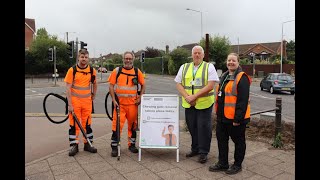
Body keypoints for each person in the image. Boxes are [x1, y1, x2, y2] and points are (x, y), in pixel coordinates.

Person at [175, 45, 219, 163]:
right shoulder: (184, 67)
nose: (197, 55)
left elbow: (211, 85)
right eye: (195, 53)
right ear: (192, 55)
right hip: (189, 103)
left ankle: (203, 152)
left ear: (203, 55)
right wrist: (188, 97)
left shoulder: (209, 67)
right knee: (192, 127)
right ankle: (195, 149)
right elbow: (178, 84)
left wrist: (194, 97)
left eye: (199, 53)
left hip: (204, 104)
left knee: (203, 128)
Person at [209, 53, 251, 175]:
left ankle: (237, 165)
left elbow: (242, 101)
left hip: (235, 119)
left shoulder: (242, 77)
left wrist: (237, 119)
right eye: (229, 60)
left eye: (233, 60)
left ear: (238, 62)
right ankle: (223, 163)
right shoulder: (224, 76)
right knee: (222, 141)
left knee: (239, 142)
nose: (230, 62)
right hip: (222, 117)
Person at [108, 51, 146, 157]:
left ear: (133, 59)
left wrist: (140, 97)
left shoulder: (137, 72)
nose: (128, 60)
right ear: (123, 59)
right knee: (116, 126)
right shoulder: (117, 71)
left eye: (130, 58)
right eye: (126, 58)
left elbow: (143, 85)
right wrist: (113, 100)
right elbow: (111, 86)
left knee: (133, 126)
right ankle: (114, 147)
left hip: (132, 105)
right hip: (119, 105)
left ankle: (132, 145)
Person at [64, 49, 98, 156]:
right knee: (74, 125)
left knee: (87, 124)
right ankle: (74, 146)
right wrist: (69, 104)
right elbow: (68, 88)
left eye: (86, 57)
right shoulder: (72, 70)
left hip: (87, 102)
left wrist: (94, 94)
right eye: (82, 57)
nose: (84, 59)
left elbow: (95, 83)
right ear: (78, 57)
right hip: (75, 103)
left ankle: (88, 144)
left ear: (88, 58)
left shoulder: (92, 71)